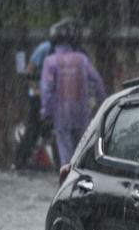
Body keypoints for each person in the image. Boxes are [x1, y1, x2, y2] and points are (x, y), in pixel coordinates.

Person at [39, 18, 106, 166]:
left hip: (60, 116)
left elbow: (47, 90)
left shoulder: (50, 62)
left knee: (66, 156)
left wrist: (46, 113)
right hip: (81, 114)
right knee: (82, 153)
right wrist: (102, 104)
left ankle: (68, 184)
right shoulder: (82, 59)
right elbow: (97, 81)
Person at [11, 32, 53, 169]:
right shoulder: (44, 49)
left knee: (50, 129)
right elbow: (29, 70)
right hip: (38, 95)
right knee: (33, 129)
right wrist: (36, 89)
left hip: (53, 97)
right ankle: (19, 161)